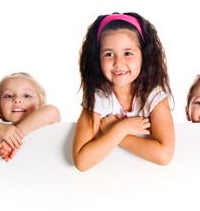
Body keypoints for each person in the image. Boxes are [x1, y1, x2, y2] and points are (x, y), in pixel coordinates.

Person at [72, 12, 175, 171]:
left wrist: (115, 130)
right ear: (98, 58)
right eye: (109, 54)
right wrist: (123, 129)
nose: (118, 62)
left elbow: (164, 155)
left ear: (143, 56)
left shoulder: (154, 95)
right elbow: (82, 161)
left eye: (128, 53)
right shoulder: (99, 97)